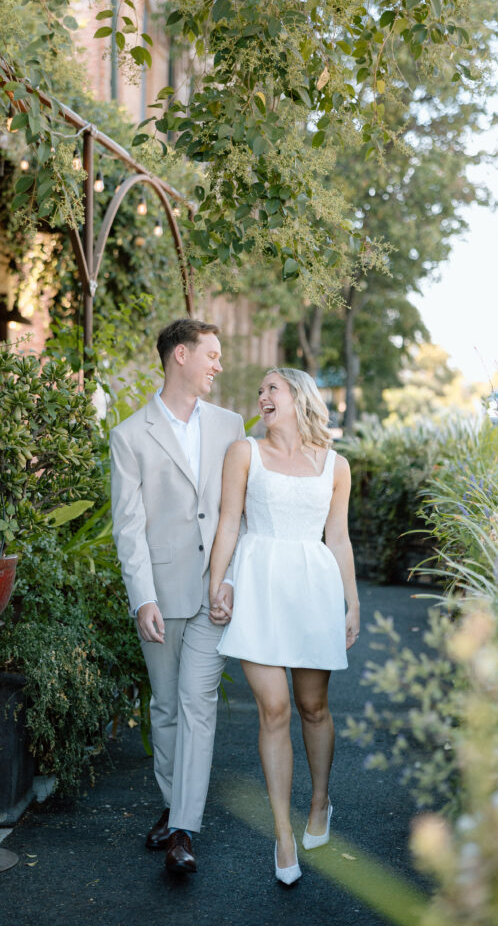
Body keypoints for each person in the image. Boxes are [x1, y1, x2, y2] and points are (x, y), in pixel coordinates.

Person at [209, 367, 359, 885]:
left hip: (314, 591)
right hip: (258, 589)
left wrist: (352, 604)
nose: (262, 396)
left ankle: (320, 800)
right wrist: (218, 581)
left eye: (272, 388)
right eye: (261, 391)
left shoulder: (335, 465)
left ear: (298, 397)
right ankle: (283, 835)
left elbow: (337, 538)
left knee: (312, 707)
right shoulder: (243, 453)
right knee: (273, 709)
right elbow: (230, 521)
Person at [110, 319, 245, 874]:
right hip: (161, 595)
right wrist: (142, 597)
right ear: (181, 356)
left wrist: (229, 579)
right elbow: (128, 526)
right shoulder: (130, 434)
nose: (218, 365)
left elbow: (241, 516)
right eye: (211, 355)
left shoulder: (232, 425)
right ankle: (174, 805)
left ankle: (183, 830)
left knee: (197, 705)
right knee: (165, 707)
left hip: (212, 592)